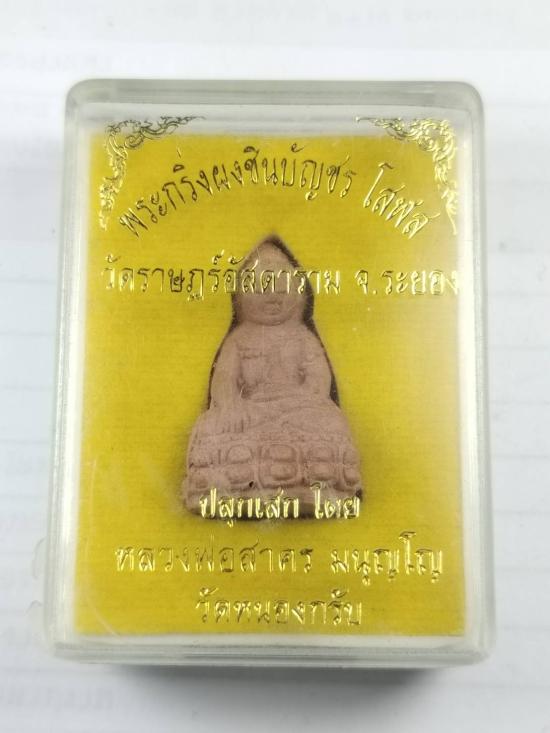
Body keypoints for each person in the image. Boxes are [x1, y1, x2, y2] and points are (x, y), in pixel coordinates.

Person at [184, 234, 362, 515]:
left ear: (299, 292)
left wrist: (306, 401)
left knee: (331, 420)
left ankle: (316, 482)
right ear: (241, 295)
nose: (273, 296)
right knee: (211, 425)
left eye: (282, 287)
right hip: (252, 410)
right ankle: (226, 484)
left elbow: (318, 381)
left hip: (297, 408)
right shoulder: (239, 340)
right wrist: (231, 406)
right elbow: (224, 380)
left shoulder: (302, 336)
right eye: (262, 287)